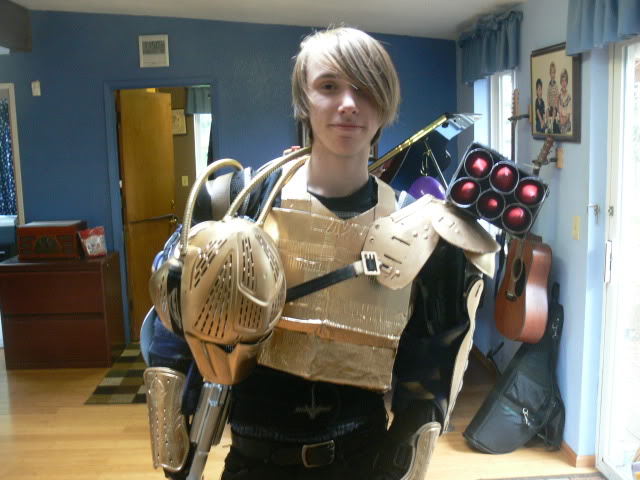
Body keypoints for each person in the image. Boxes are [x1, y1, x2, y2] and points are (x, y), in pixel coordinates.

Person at [142, 26, 497, 480]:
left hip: (361, 461)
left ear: (386, 103)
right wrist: (174, 442)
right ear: (304, 100)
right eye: (329, 86)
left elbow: (430, 366)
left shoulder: (422, 231)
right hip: (253, 462)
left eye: (365, 88)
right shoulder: (238, 202)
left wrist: (404, 459)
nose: (348, 103)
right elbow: (173, 320)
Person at [557, 68, 572, 134]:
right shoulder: (559, 96)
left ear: (567, 82)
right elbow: (560, 111)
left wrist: (564, 121)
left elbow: (568, 114)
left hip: (567, 122)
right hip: (561, 121)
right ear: (561, 82)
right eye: (562, 81)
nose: (564, 83)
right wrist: (561, 119)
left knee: (565, 130)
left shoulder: (569, 97)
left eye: (565, 81)